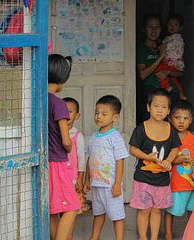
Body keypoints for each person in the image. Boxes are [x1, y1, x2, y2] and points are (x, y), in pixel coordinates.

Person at [129, 88, 181, 240]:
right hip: (143, 178)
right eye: (156, 106)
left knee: (157, 210)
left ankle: (153, 238)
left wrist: (168, 161)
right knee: (144, 210)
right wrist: (147, 157)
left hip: (162, 179)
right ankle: (143, 237)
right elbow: (132, 149)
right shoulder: (141, 128)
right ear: (148, 107)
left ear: (168, 110)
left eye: (164, 107)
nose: (160, 110)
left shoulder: (170, 129)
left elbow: (175, 148)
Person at [83, 95, 129, 240]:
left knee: (117, 216)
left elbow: (120, 161)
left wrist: (117, 184)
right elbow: (89, 159)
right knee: (98, 213)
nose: (98, 117)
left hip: (110, 185)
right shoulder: (93, 137)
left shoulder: (115, 137)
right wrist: (86, 180)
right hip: (96, 184)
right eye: (96, 113)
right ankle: (94, 237)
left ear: (115, 117)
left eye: (104, 114)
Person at [48, 54, 80, 240]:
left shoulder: (40, 99)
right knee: (72, 207)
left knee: (53, 209)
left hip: (46, 161)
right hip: (59, 162)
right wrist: (68, 148)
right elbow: (66, 140)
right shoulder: (59, 104)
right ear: (61, 79)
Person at [164, 100, 194, 240]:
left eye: (185, 118)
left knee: (192, 209)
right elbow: (165, 159)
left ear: (191, 120)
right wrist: (176, 161)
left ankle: (190, 231)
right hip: (175, 183)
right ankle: (168, 232)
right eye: (177, 118)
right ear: (170, 118)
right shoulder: (168, 137)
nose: (181, 122)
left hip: (192, 182)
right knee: (172, 210)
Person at [137, 13, 181, 123]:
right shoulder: (142, 49)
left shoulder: (168, 45)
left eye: (157, 27)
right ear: (144, 29)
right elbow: (142, 75)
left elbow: (181, 72)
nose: (153, 31)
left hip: (171, 92)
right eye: (150, 27)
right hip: (152, 92)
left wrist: (168, 72)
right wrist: (160, 58)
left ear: (161, 29)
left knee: (170, 126)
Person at [63, 97, 90, 239]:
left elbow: (81, 158)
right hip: (58, 178)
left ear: (77, 116)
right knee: (59, 208)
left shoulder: (77, 136)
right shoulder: (55, 133)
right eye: (62, 111)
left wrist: (80, 178)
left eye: (70, 111)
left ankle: (69, 236)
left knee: (71, 210)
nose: (66, 115)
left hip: (72, 180)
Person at [155, 13, 187, 100]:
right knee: (174, 80)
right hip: (176, 64)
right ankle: (181, 93)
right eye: (170, 24)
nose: (172, 27)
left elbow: (165, 48)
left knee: (158, 70)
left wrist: (160, 47)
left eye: (175, 25)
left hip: (171, 62)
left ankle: (166, 86)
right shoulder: (173, 38)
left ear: (180, 27)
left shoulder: (174, 38)